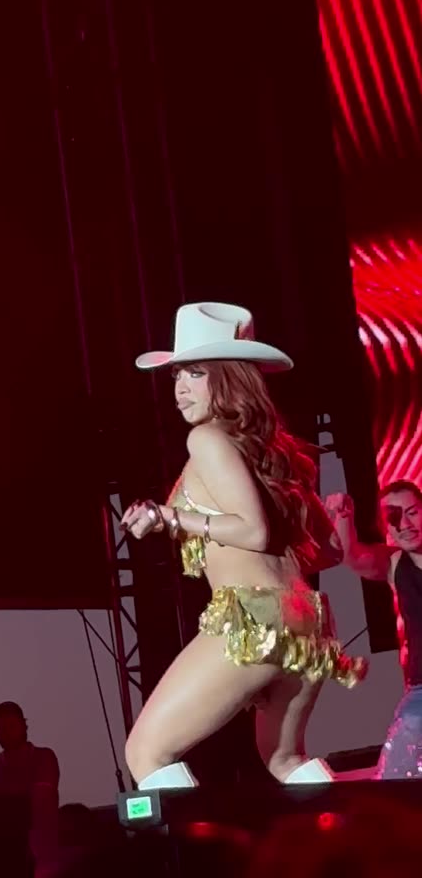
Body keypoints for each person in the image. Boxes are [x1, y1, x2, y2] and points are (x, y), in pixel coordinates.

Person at [121, 302, 366, 791]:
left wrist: (169, 517)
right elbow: (328, 552)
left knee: (146, 752)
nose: (179, 388)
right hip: (306, 622)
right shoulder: (276, 450)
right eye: (176, 376)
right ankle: (355, 835)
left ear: (229, 378)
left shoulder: (206, 439)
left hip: (253, 619)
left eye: (194, 373)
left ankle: (197, 845)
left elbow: (252, 532)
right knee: (284, 760)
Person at [326, 480, 422, 779]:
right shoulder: (396, 563)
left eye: (412, 513)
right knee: (395, 778)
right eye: (393, 518)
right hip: (421, 691)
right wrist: (344, 517)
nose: (404, 524)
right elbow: (352, 557)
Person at [0, 701, 60, 877]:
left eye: (11, 726)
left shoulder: (44, 757)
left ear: (24, 725)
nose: (6, 733)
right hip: (0, 856)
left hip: (41, 856)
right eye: (1, 728)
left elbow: (41, 802)